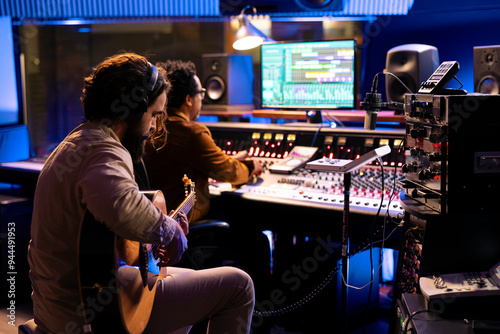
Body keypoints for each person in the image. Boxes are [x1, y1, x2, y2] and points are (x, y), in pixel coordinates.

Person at [27, 52, 255, 334]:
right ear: (133, 110)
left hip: (64, 303)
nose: (153, 128)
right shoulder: (104, 149)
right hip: (83, 315)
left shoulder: (77, 142)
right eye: (153, 115)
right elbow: (123, 207)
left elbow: (101, 238)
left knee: (183, 282)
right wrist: (169, 230)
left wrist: (153, 240)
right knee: (239, 286)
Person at [143, 59, 263, 224]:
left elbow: (180, 166)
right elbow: (227, 172)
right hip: (183, 227)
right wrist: (251, 166)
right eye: (201, 93)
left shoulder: (151, 127)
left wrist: (230, 160)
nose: (202, 98)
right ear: (189, 100)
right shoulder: (191, 132)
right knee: (256, 238)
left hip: (155, 222)